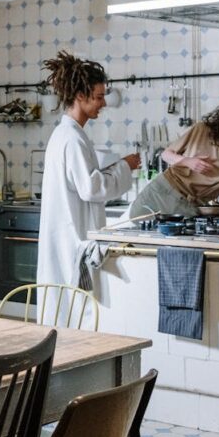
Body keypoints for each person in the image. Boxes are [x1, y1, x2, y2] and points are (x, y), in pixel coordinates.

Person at [37, 51, 141, 327]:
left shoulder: (70, 135)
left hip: (66, 235)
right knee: (72, 312)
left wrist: (116, 166)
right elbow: (91, 188)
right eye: (98, 96)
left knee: (65, 309)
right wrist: (125, 167)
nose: (103, 103)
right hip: (71, 237)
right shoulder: (71, 138)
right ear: (80, 97)